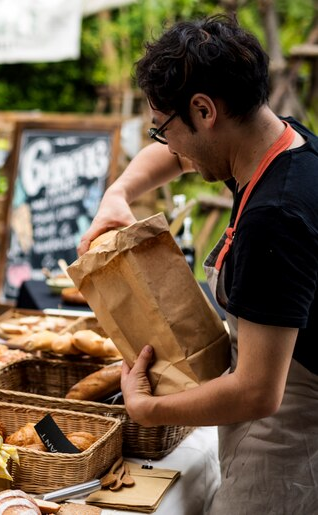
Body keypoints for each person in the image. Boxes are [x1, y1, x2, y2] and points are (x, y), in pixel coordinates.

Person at [78, 16, 318, 513]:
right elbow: (169, 160)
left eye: (165, 128)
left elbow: (257, 391)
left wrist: (148, 409)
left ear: (205, 110)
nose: (169, 147)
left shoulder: (275, 218)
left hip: (293, 445)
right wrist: (118, 193)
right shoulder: (280, 143)